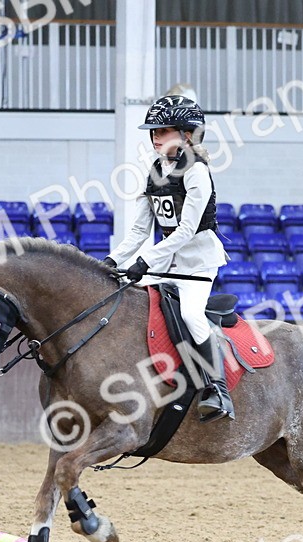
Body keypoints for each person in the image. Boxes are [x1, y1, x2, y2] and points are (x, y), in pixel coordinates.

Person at [103, 95, 234, 422]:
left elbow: (187, 230)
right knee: (131, 305)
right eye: (153, 131)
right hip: (164, 262)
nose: (155, 136)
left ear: (187, 134)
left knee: (191, 315)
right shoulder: (154, 171)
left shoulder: (197, 171)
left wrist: (146, 261)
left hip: (197, 263)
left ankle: (216, 388)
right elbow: (137, 231)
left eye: (164, 130)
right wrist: (111, 260)